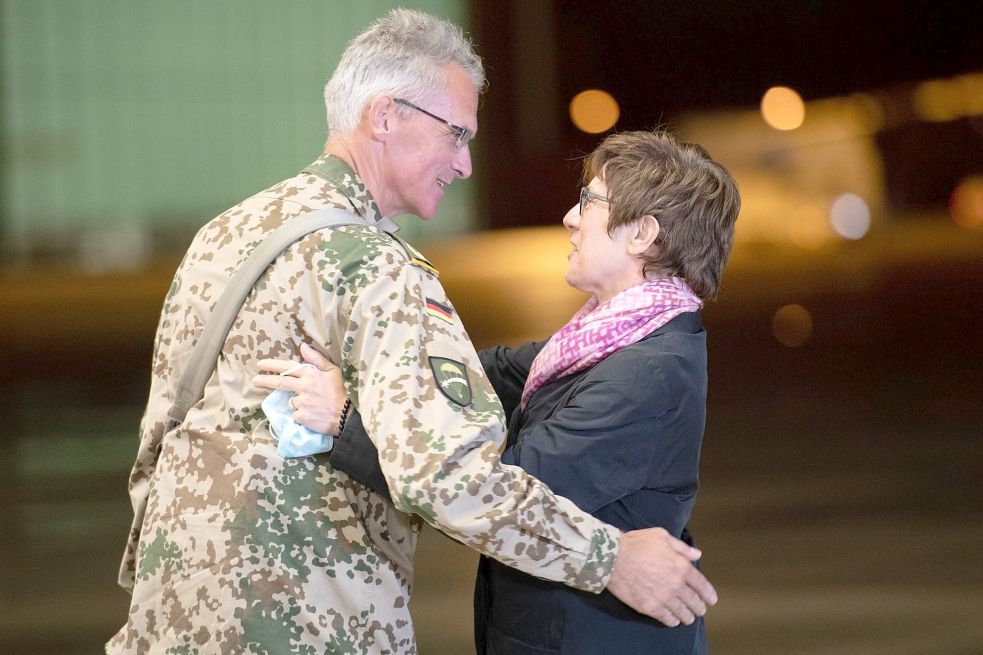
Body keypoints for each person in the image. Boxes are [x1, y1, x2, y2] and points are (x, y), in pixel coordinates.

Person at [110, 9, 716, 654]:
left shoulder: (227, 233)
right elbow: (449, 479)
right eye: (456, 135)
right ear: (385, 116)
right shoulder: (376, 266)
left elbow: (160, 429)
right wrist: (611, 559)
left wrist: (155, 576)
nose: (465, 164)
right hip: (307, 619)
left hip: (173, 608)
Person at [272, 129, 740, 653]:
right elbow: (483, 373)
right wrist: (371, 360)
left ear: (642, 233)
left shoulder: (650, 370)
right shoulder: (608, 338)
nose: (570, 216)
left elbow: (493, 492)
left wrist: (344, 422)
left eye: (589, 200)